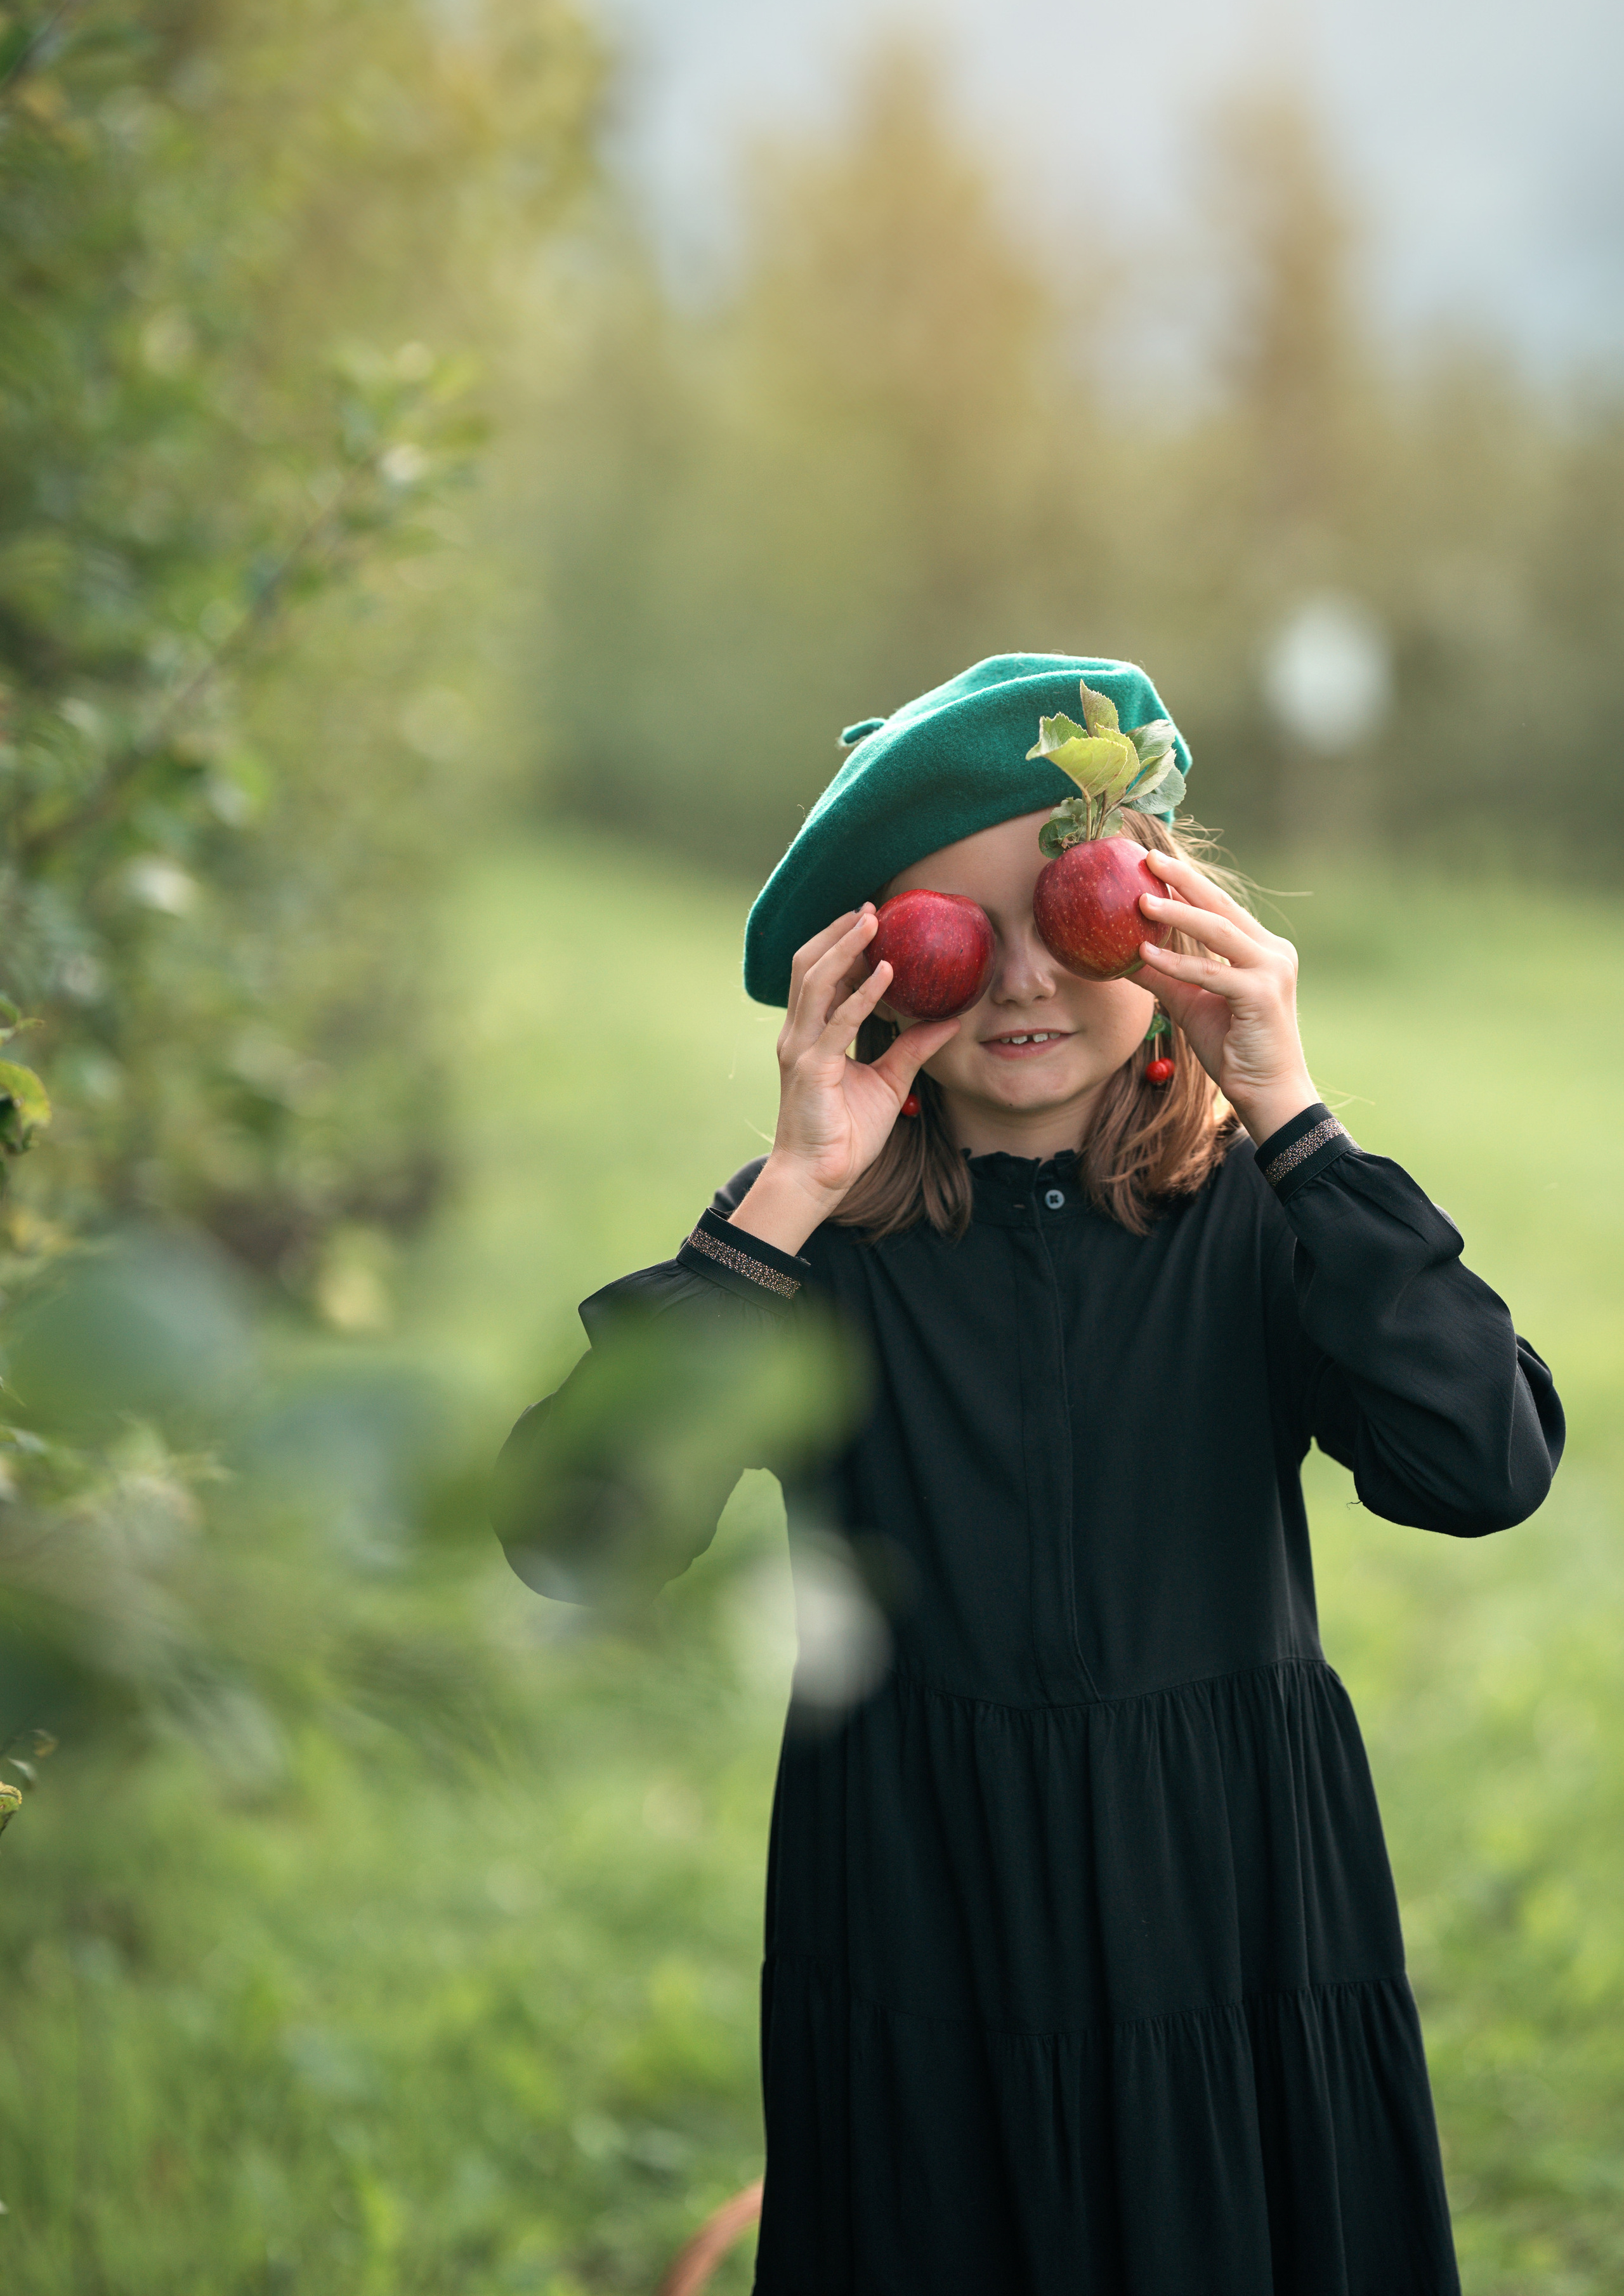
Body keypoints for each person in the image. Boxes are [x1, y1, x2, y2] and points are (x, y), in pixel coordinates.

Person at [497, 653, 1562, 2296]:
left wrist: (1291, 1110)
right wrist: (785, 1190)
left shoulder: (1262, 1217)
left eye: (1071, 924)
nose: (1017, 989)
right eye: (951, 940)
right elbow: (577, 1534)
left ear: (1165, 926)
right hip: (926, 1906)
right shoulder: (819, 1251)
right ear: (864, 970)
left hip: (1228, 1902)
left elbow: (1482, 1463)